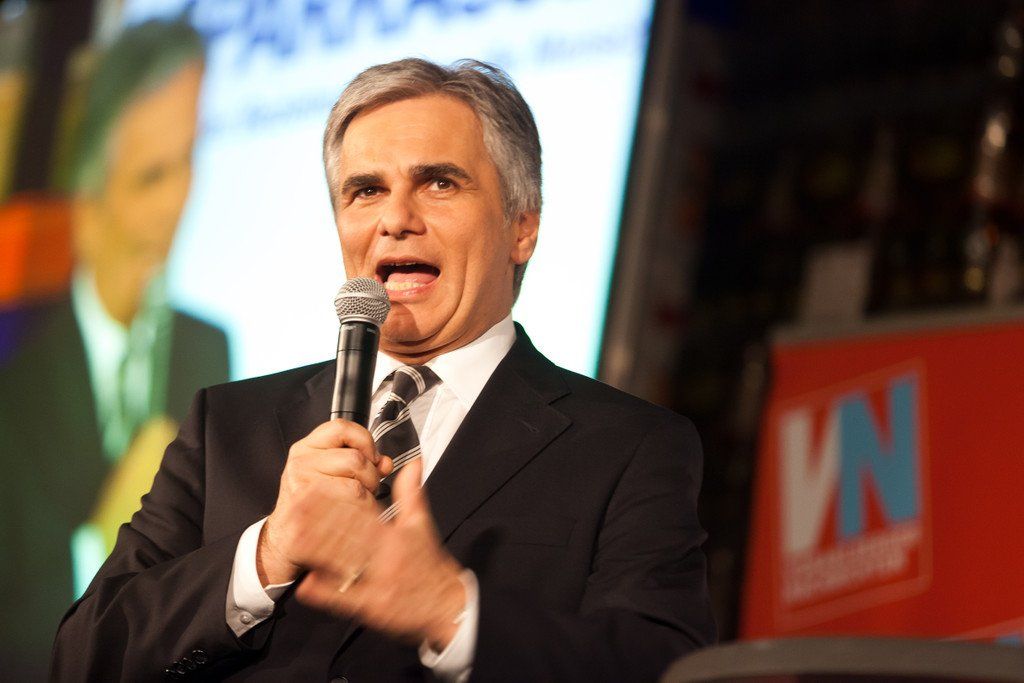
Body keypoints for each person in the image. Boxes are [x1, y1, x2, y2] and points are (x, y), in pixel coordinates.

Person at [51, 58, 715, 681]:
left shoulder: (629, 446)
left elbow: (662, 666)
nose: (396, 219)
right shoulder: (225, 425)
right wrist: (266, 551)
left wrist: (452, 612)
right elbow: (82, 658)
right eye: (366, 190)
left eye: (439, 183)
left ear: (521, 227)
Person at [0, 20, 228, 678]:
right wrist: (101, 546)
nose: (177, 201)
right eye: (151, 176)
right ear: (88, 205)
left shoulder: (209, 349)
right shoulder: (15, 383)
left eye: (187, 161)